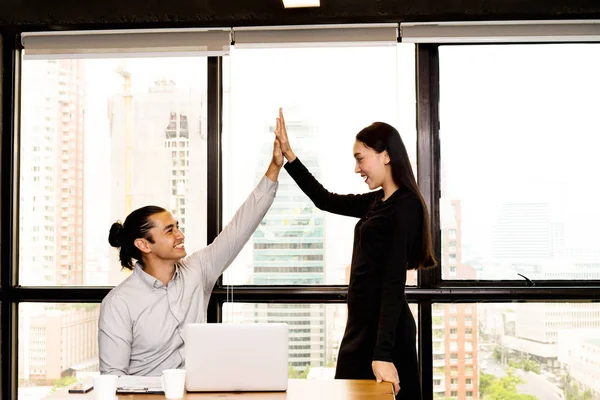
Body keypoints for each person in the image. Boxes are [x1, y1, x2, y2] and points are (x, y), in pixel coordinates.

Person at [274, 108, 435, 399]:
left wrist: (383, 354)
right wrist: (290, 156)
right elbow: (325, 200)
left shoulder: (406, 205)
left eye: (360, 159)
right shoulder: (378, 201)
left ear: (386, 155)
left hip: (385, 334)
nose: (357, 168)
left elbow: (393, 282)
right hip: (360, 327)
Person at [98, 139, 284, 376]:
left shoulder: (198, 270)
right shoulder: (118, 303)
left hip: (196, 392)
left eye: (177, 226)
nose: (180, 234)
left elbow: (240, 227)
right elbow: (113, 379)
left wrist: (274, 167)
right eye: (169, 230)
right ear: (144, 244)